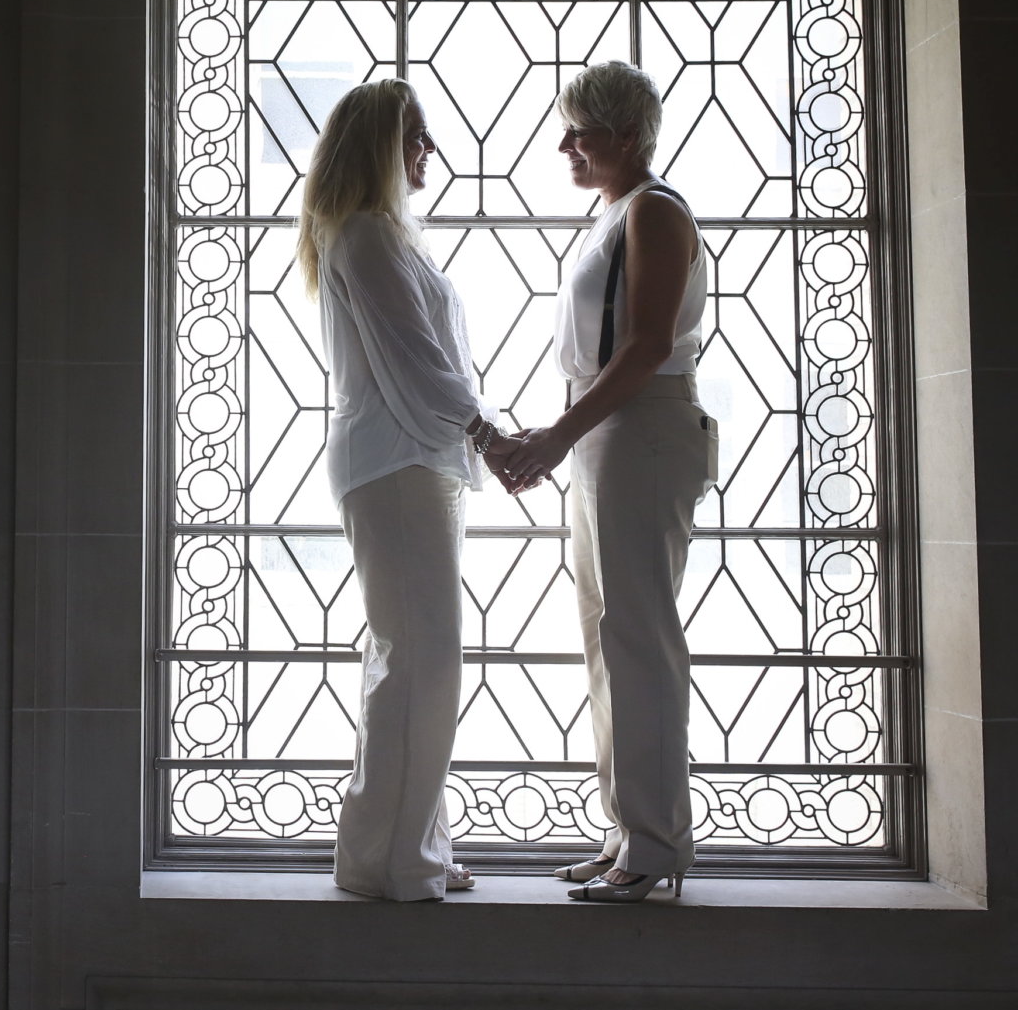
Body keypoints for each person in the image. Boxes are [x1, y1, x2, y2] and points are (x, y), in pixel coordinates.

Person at [498, 61, 718, 903]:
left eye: (579, 130)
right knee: (605, 638)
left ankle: (657, 846)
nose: (565, 144)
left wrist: (556, 434)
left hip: (644, 427)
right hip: (606, 434)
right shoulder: (612, 214)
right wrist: (564, 436)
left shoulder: (656, 211)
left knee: (639, 638)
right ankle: (628, 831)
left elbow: (647, 345)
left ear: (627, 134)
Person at [297, 77, 516, 901]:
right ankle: (390, 858)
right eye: (415, 136)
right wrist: (493, 433)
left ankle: (399, 847)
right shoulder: (363, 235)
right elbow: (419, 364)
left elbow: (433, 365)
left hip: (406, 463)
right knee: (420, 659)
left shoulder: (382, 235)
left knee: (411, 657)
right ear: (378, 145)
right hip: (393, 466)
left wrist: (487, 429)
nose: (430, 151)